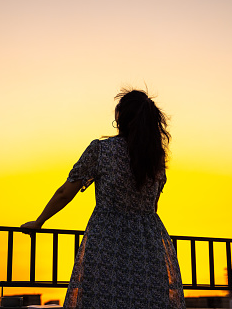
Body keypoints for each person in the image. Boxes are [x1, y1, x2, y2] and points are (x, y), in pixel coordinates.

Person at [21, 88, 186, 309]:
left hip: (107, 242)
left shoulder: (101, 150)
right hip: (149, 245)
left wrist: (39, 221)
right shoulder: (155, 159)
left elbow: (65, 193)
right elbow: (153, 205)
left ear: (121, 117)